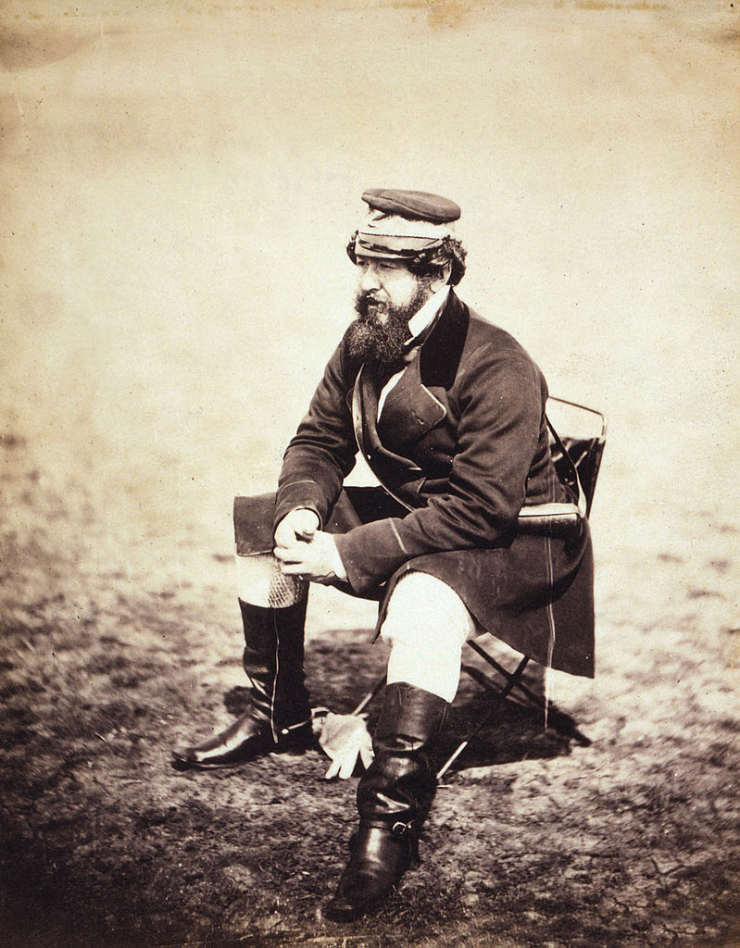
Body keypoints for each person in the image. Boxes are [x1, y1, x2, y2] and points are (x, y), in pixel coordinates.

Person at [173, 188, 595, 921]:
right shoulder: (367, 336)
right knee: (262, 519)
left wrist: (344, 554)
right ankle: (279, 714)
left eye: (387, 267)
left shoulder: (498, 364)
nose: (366, 281)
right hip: (430, 519)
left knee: (424, 599)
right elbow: (318, 439)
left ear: (439, 272)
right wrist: (303, 508)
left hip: (518, 541)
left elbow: (482, 509)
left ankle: (388, 824)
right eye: (362, 261)